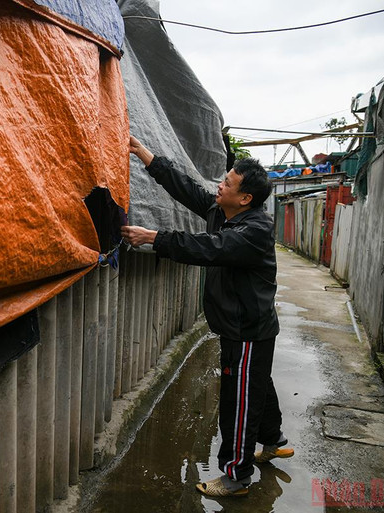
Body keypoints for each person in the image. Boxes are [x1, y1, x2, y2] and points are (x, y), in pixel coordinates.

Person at [121, 136, 294, 497]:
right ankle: (274, 440)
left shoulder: (253, 232)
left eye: (227, 183)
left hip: (247, 331)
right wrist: (144, 154)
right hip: (244, 327)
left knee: (239, 400)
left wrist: (154, 236)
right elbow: (187, 189)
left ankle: (235, 476)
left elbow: (208, 248)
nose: (220, 185)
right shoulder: (223, 211)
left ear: (245, 198)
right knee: (257, 386)